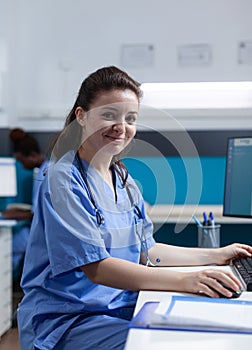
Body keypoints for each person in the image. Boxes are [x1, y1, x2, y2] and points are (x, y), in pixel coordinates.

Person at [17, 66, 252, 350]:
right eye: (109, 115)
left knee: (208, 331)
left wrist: (217, 255)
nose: (122, 127)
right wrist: (188, 280)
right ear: (81, 116)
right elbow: (97, 269)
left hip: (117, 305)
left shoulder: (124, 180)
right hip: (70, 319)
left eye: (131, 118)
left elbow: (147, 251)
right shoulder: (62, 179)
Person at [2, 128, 50, 280]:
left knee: (12, 246)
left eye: (22, 161)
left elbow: (37, 213)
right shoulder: (45, 169)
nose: (22, 166)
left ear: (33, 155)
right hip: (43, 227)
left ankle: (8, 283)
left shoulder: (44, 175)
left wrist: (10, 214)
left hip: (44, 231)